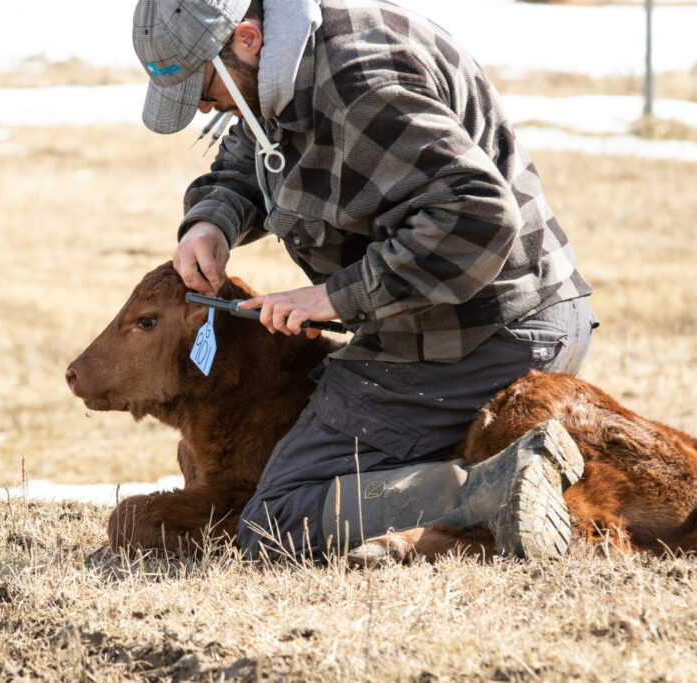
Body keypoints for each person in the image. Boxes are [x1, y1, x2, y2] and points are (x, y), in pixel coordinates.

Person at [131, 0, 597, 562]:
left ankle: (498, 486)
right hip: (427, 323)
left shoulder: (360, 83)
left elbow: (478, 216)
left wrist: (331, 295)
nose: (207, 107)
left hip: (488, 328)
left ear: (248, 40)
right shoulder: (281, 69)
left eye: (204, 89)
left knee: (276, 515)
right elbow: (252, 154)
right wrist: (212, 220)